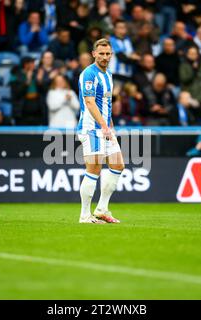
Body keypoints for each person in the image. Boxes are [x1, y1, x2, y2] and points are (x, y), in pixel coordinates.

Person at [77, 38, 124, 224]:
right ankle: (84, 215)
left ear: (111, 55)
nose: (104, 57)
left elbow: (106, 103)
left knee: (118, 165)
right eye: (101, 54)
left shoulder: (109, 74)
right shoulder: (89, 74)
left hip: (105, 128)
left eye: (107, 54)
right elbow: (89, 102)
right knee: (94, 169)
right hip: (91, 129)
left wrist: (109, 124)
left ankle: (102, 209)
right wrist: (103, 125)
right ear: (93, 54)